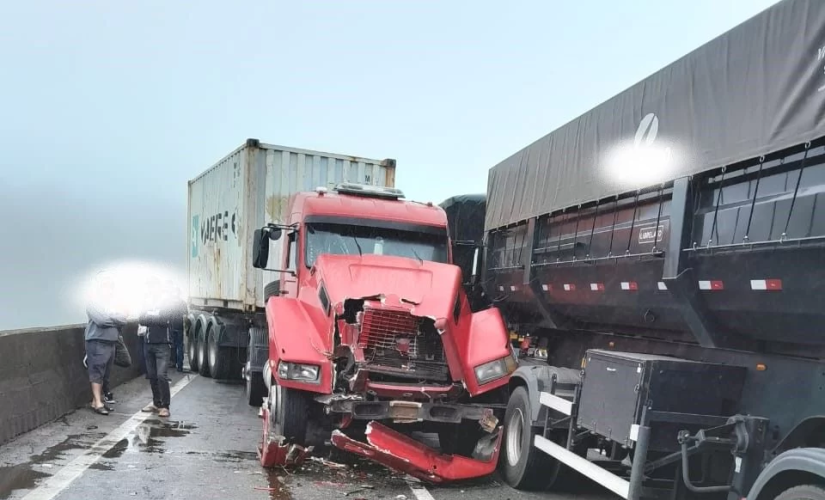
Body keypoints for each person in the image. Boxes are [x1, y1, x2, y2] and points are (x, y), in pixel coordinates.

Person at [84, 273, 127, 415]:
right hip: (97, 342)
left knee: (105, 374)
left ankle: (97, 400)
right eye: (105, 287)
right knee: (97, 372)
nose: (108, 290)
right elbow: (101, 321)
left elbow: (124, 319)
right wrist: (115, 317)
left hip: (111, 342)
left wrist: (112, 316)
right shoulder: (93, 303)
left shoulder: (113, 303)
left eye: (110, 287)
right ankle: (97, 403)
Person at [139, 279, 173, 417]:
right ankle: (156, 403)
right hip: (148, 343)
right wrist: (155, 317)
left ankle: (165, 406)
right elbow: (141, 319)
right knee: (152, 376)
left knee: (161, 375)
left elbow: (165, 320)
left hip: (163, 344)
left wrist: (150, 317)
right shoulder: (146, 302)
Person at [164, 283, 188, 372]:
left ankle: (173, 362)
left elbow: (166, 315)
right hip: (180, 326)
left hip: (171, 325)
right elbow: (186, 315)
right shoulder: (183, 303)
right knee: (180, 346)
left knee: (172, 345)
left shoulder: (169, 303)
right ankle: (180, 366)